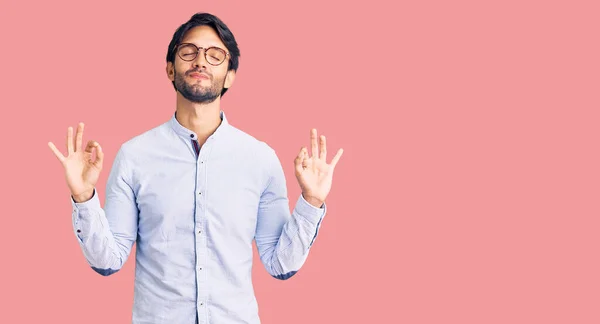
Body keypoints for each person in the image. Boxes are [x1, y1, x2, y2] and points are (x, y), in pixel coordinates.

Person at [47, 12, 343, 324]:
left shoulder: (261, 160)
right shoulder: (134, 156)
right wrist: (83, 196)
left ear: (229, 76)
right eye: (189, 52)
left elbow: (281, 265)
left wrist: (312, 201)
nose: (201, 61)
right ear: (170, 69)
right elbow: (107, 261)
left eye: (215, 55)